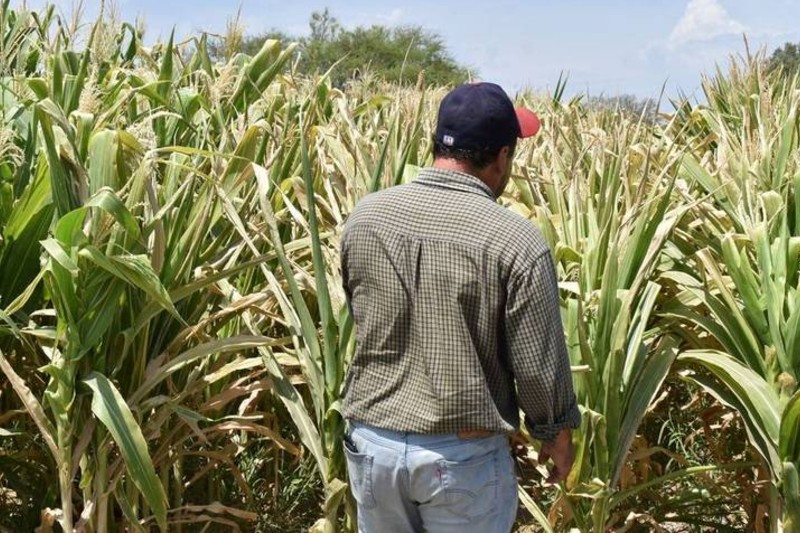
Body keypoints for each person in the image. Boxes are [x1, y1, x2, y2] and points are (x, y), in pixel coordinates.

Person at [339, 82, 580, 533]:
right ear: (503, 157)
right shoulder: (514, 239)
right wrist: (555, 432)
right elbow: (536, 365)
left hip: (374, 447)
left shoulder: (365, 217)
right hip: (459, 457)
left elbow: (360, 314)